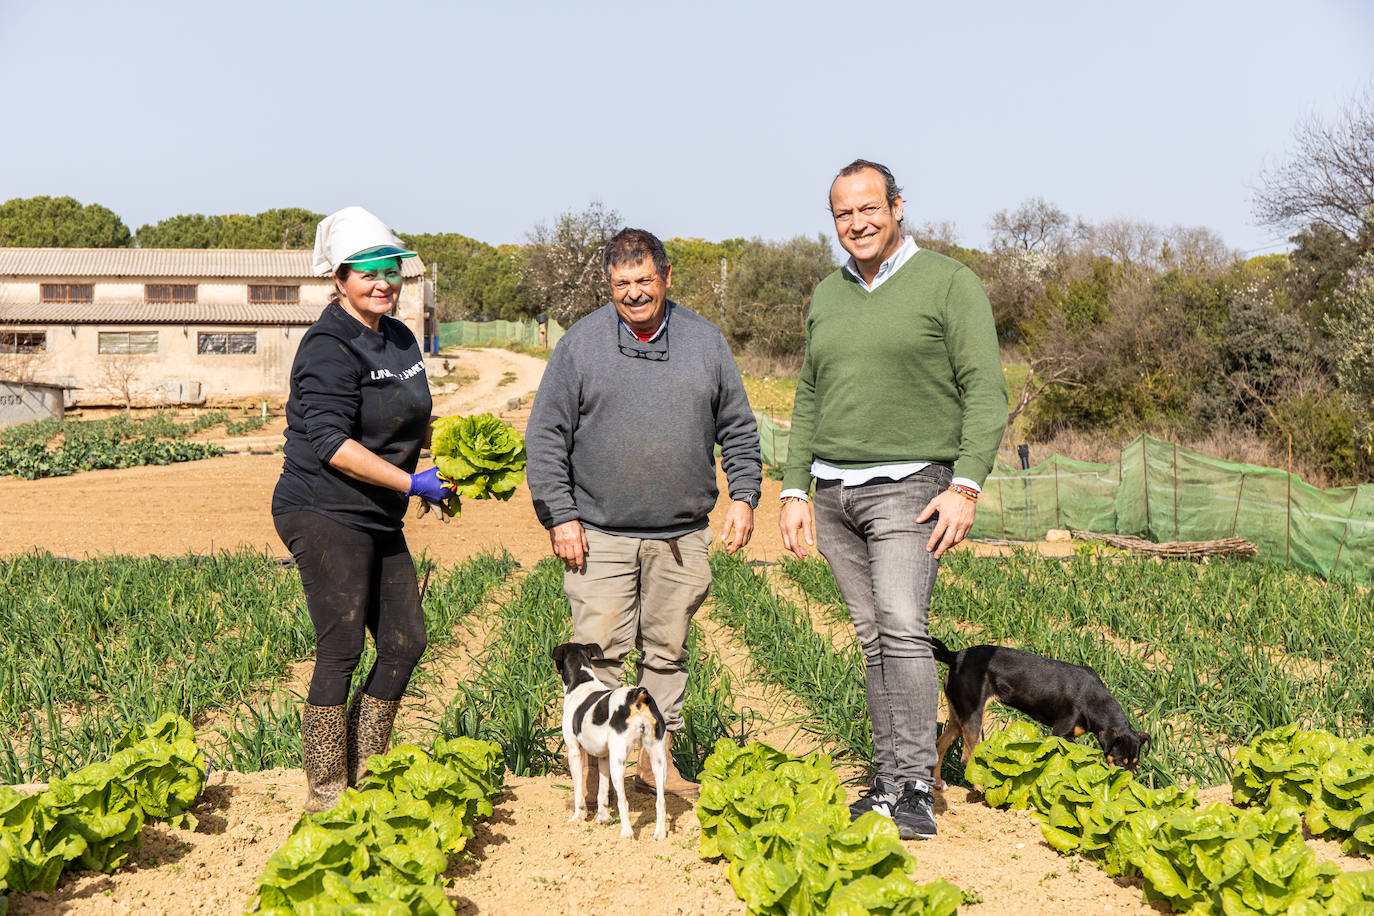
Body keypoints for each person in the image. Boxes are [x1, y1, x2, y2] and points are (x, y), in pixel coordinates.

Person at [778, 160, 1007, 839]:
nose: (858, 223)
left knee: (905, 627)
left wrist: (965, 484)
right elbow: (810, 395)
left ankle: (914, 785)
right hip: (834, 494)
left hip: (912, 486)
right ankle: (888, 781)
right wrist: (794, 488)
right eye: (844, 214)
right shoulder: (827, 293)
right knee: (874, 637)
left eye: (869, 208)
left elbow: (986, 390)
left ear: (897, 207)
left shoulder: (948, 283)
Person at [526, 227, 762, 801]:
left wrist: (744, 496)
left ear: (667, 277)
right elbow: (546, 435)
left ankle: (654, 763)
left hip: (680, 537)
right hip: (599, 534)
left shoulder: (705, 343)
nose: (633, 294)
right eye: (621, 284)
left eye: (643, 281)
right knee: (600, 653)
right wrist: (560, 514)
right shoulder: (580, 345)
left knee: (668, 652)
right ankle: (589, 768)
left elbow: (738, 427)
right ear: (609, 284)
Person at [272, 206, 455, 812]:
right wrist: (409, 484)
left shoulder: (400, 338)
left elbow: (407, 419)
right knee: (342, 647)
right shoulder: (328, 346)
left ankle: (367, 768)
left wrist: (441, 466)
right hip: (323, 508)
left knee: (405, 641)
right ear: (340, 279)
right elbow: (331, 443)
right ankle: (327, 794)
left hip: (378, 511)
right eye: (368, 272)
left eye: (392, 270)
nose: (384, 283)